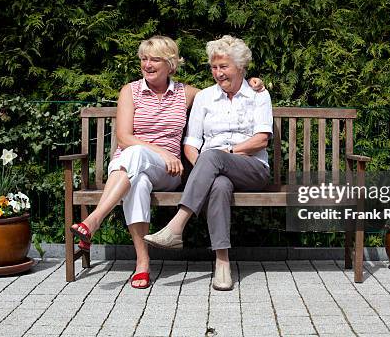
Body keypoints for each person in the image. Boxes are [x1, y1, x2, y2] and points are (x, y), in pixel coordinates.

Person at [70, 35, 264, 289]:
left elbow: (224, 84)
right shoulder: (130, 91)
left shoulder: (186, 94)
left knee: (134, 158)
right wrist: (162, 151)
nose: (147, 64)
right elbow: (124, 137)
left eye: (155, 60)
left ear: (170, 65)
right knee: (136, 177)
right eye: (144, 59)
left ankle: (94, 220)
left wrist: (253, 83)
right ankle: (142, 264)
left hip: (167, 172)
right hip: (132, 166)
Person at [144, 35, 273, 291]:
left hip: (253, 169)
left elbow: (261, 140)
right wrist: (209, 163)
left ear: (240, 67)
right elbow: (190, 143)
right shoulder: (204, 97)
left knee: (212, 155)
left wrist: (227, 152)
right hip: (217, 172)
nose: (218, 73)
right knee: (219, 185)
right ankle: (222, 264)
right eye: (213, 67)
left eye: (223, 67)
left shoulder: (258, 94)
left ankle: (177, 225)